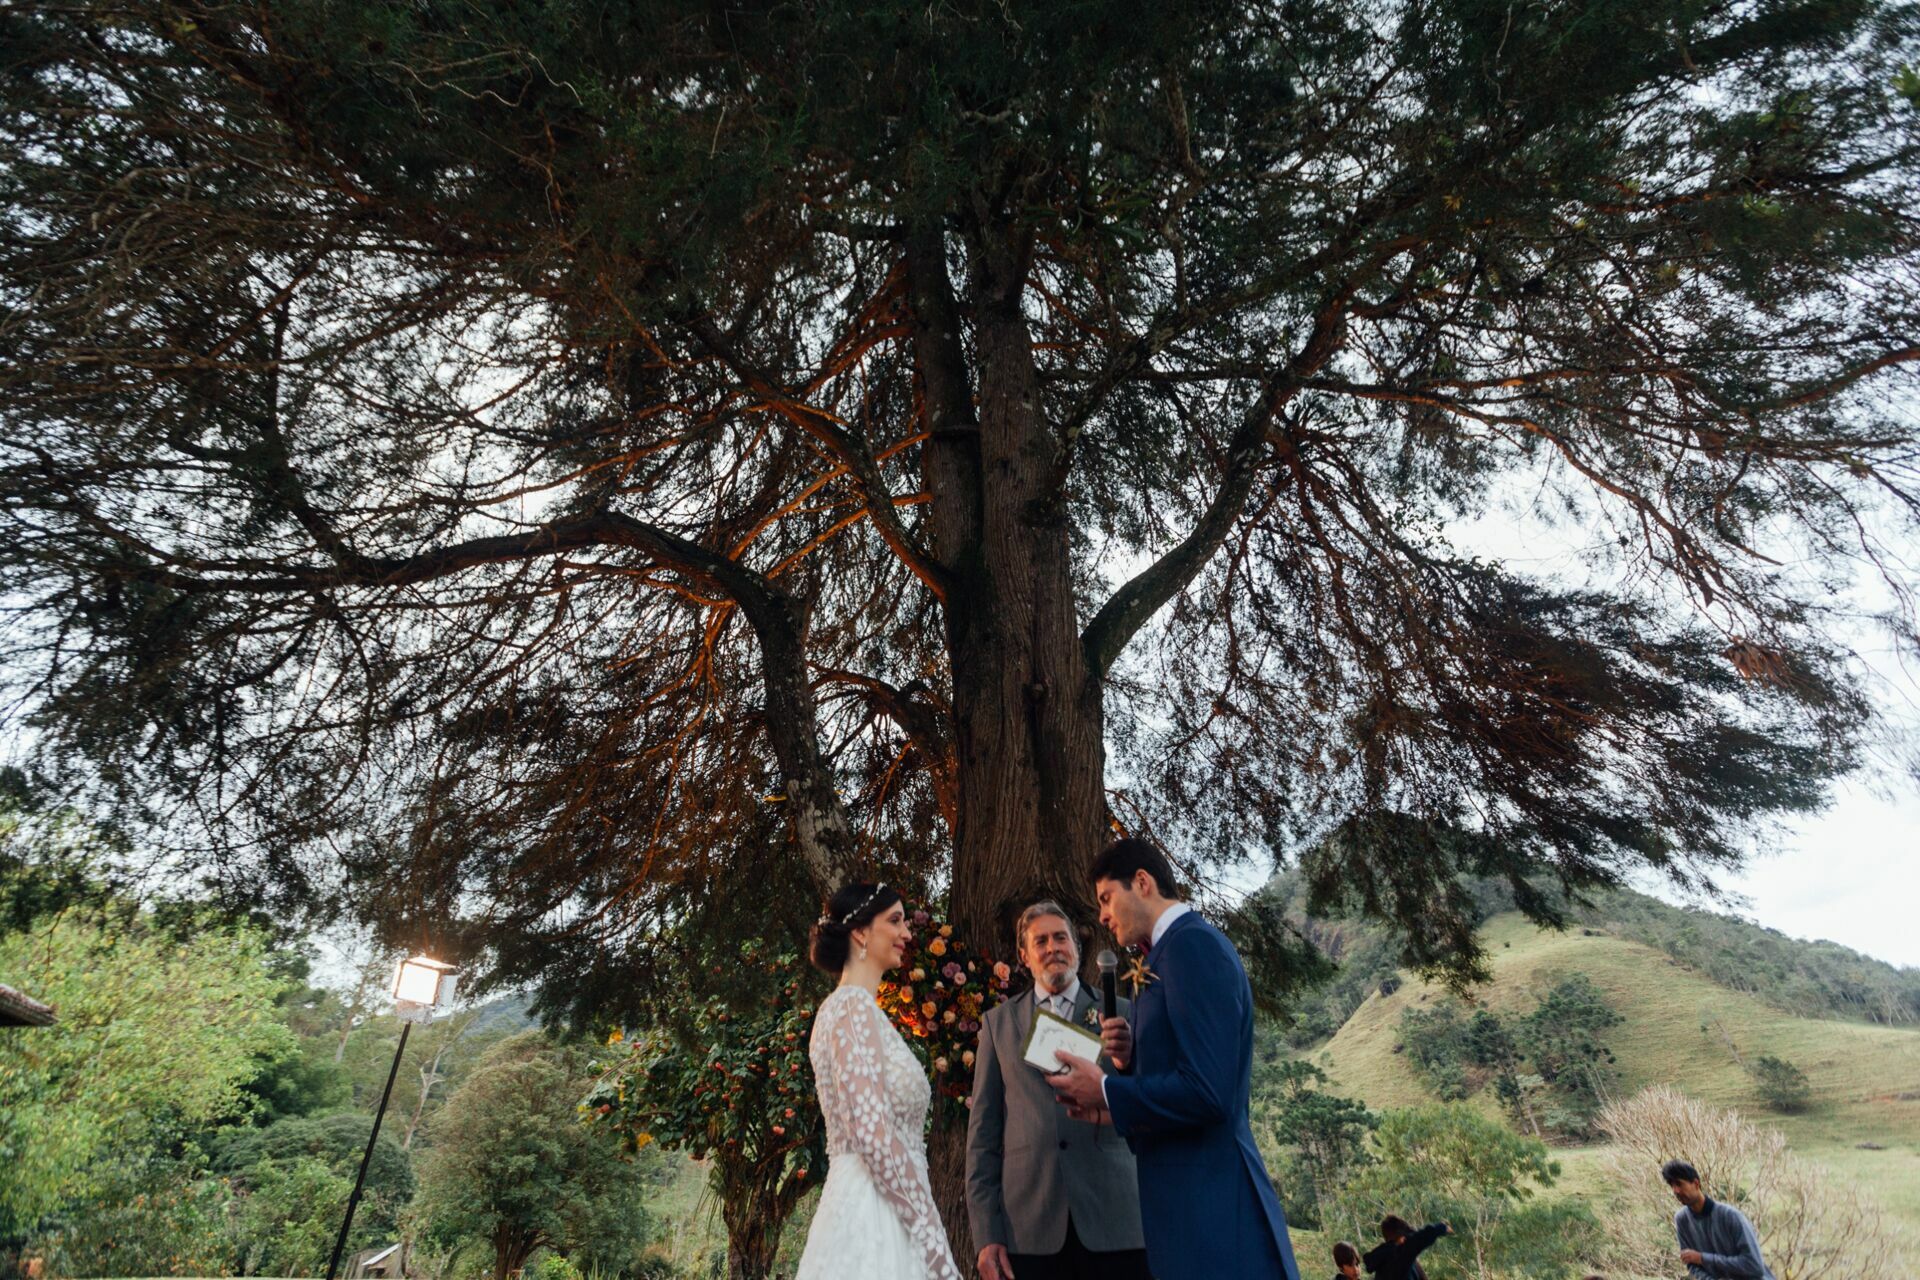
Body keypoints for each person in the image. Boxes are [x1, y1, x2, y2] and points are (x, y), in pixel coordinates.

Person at [1047, 837, 1302, 1280]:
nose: (1103, 916)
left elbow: (1209, 1092)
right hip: (1185, 1209)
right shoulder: (1164, 956)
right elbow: (1183, 1071)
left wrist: (1107, 1088)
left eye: (1107, 898)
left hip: (1215, 1214)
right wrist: (1123, 1081)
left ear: (1142, 883)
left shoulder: (1191, 947)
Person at [965, 899, 1150, 1280]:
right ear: (1024, 956)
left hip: (1116, 1219)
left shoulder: (1124, 1014)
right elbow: (982, 1138)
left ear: (1077, 948)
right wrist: (986, 1234)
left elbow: (1148, 1103)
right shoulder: (998, 1025)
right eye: (1041, 941)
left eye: (1061, 938)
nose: (1053, 948)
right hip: (1029, 1228)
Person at [795, 882, 962, 1280]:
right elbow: (871, 1132)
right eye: (895, 920)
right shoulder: (851, 1007)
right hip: (875, 1214)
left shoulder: (854, 1010)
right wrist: (930, 1234)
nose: (907, 932)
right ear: (860, 933)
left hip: (882, 1203)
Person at [1663, 1158, 1775, 1279]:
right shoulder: (1682, 1220)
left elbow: (1754, 1266)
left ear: (1696, 1183)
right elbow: (1691, 1263)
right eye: (1671, 1185)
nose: (1675, 1190)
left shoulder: (1730, 1216)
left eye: (1679, 1184)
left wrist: (1703, 1258)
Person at [1361, 1215, 1450, 1280]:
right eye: (1407, 1238)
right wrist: (1442, 1228)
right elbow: (1417, 1240)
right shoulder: (1397, 1258)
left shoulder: (1382, 1261)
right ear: (1402, 1239)